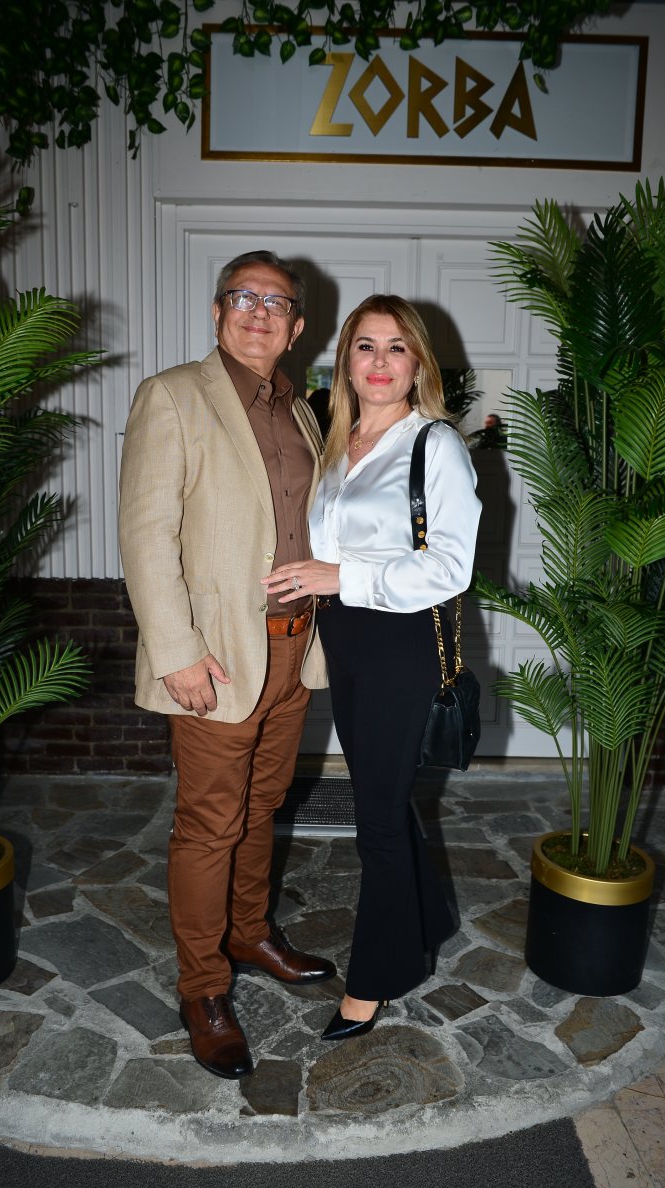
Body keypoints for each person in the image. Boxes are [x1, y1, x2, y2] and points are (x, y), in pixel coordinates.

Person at [118, 250, 336, 1080]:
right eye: (243, 297)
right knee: (210, 824)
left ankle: (249, 933)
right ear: (217, 312)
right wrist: (175, 652)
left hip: (293, 649)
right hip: (214, 658)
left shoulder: (304, 411)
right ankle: (203, 988)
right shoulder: (173, 395)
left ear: (297, 327)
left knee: (264, 804)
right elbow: (146, 533)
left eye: (276, 303)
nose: (258, 312)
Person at [263, 295, 481, 1040]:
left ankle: (377, 978)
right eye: (365, 346)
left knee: (378, 819)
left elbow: (449, 569)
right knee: (379, 795)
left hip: (399, 642)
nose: (380, 362)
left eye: (396, 347)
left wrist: (340, 577)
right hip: (347, 639)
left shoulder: (435, 446)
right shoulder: (335, 439)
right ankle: (430, 918)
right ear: (346, 361)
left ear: (418, 364)